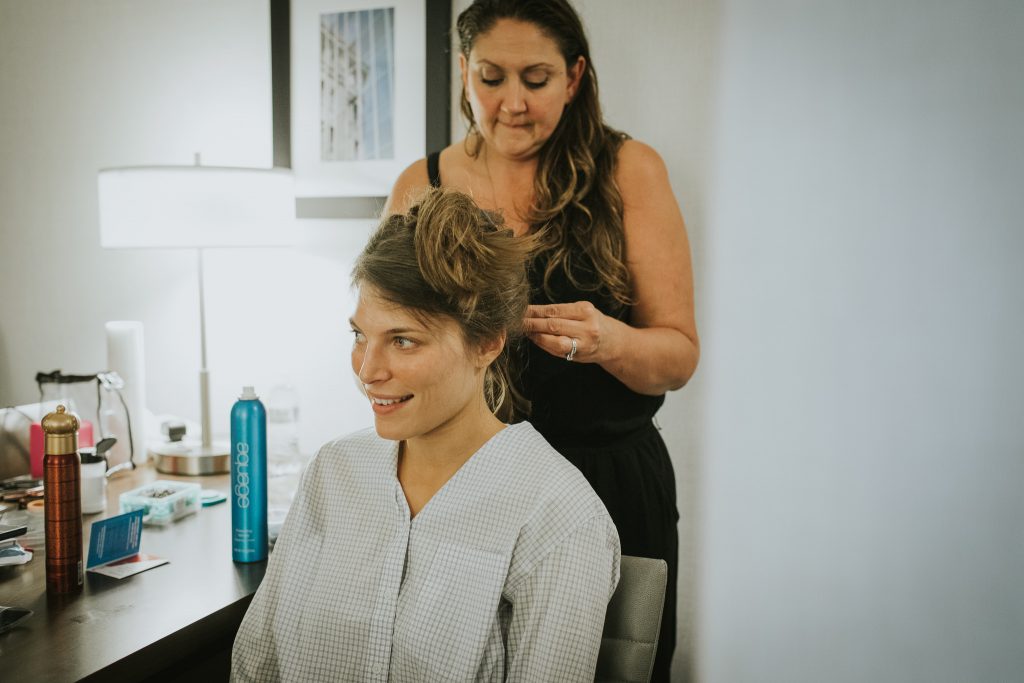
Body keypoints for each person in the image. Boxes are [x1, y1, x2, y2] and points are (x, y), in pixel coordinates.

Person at [386, 1, 700, 680]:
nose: (513, 103)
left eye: (536, 79)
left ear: (574, 76)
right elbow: (394, 339)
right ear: (463, 71)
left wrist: (608, 341)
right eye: (491, 77)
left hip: (609, 481)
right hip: (469, 487)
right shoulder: (421, 185)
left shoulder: (630, 170)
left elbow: (678, 357)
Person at [231, 189, 620, 682]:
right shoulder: (334, 473)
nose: (367, 372)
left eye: (403, 340)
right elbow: (257, 665)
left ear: (487, 343)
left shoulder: (558, 516)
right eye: (359, 336)